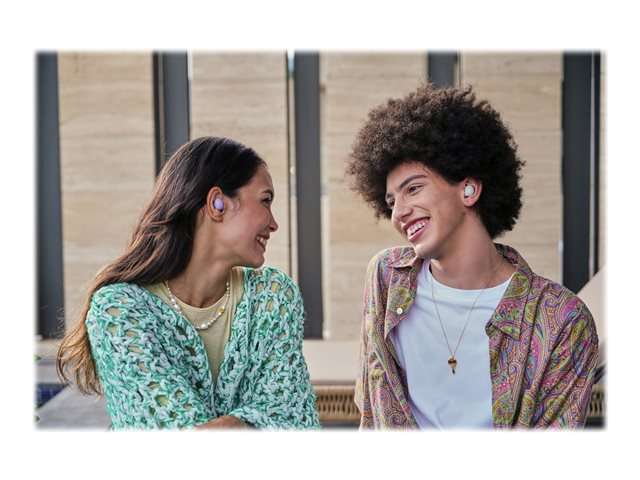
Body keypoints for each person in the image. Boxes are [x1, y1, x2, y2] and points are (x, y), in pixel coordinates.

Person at [345, 84, 599, 429]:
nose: (399, 213)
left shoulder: (560, 321)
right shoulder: (387, 277)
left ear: (469, 189)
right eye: (391, 202)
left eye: (413, 189)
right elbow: (370, 411)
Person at [56, 136, 319, 430]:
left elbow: (294, 420)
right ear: (217, 203)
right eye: (265, 201)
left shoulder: (273, 296)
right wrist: (249, 427)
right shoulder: (118, 312)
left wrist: (233, 428)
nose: (273, 223)